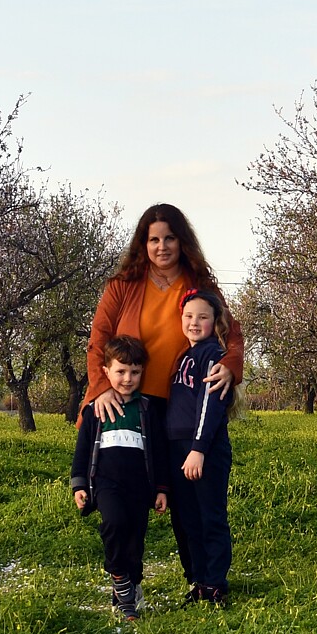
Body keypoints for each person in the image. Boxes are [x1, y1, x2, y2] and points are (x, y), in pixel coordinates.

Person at [83, 205, 243, 607]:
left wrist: (230, 367)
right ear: (143, 243)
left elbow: (232, 332)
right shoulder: (122, 285)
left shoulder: (199, 283)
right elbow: (99, 338)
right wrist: (102, 386)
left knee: (183, 498)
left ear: (181, 240)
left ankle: (202, 580)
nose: (161, 246)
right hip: (129, 403)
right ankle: (127, 580)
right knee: (130, 495)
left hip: (181, 410)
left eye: (169, 238)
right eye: (153, 239)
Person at [69, 335, 168, 619]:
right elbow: (83, 450)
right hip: (106, 484)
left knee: (136, 541)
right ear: (106, 372)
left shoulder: (148, 410)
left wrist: (162, 489)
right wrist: (79, 484)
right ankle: (119, 579)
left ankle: (131, 584)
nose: (127, 378)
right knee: (114, 523)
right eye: (121, 371)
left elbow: (159, 452)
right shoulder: (95, 410)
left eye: (135, 372)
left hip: (140, 486)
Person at [166, 288, 233, 605]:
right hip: (177, 448)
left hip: (204, 449)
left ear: (214, 321)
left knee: (210, 516)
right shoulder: (182, 356)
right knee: (185, 518)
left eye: (202, 317)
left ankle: (215, 583)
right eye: (189, 316)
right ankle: (197, 579)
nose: (194, 322)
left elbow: (211, 406)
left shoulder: (213, 355)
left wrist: (198, 449)